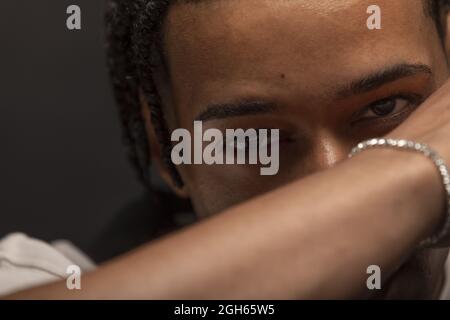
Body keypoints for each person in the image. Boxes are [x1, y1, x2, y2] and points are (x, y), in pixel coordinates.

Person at [2, 0, 450, 299]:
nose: (334, 180)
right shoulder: (40, 276)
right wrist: (407, 168)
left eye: (385, 106)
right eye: (258, 140)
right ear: (167, 148)